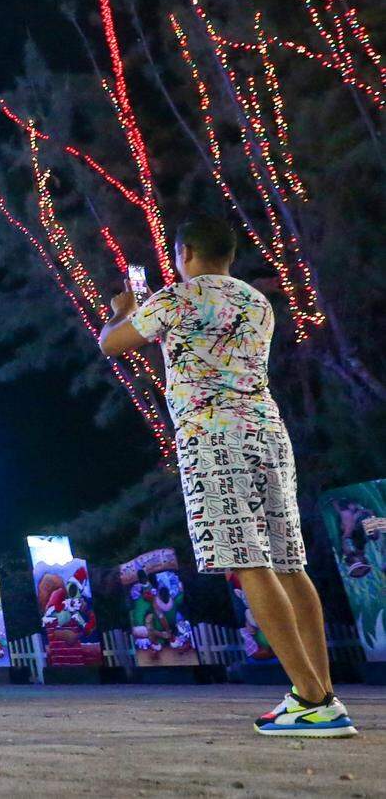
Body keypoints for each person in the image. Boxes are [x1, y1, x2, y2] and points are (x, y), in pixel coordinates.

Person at [99, 213, 357, 738]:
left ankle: (310, 700)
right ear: (230, 255)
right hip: (268, 434)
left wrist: (122, 311)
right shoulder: (256, 302)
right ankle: (322, 694)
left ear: (186, 252)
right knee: (289, 563)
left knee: (247, 560)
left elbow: (112, 344)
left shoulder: (177, 298)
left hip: (215, 440)